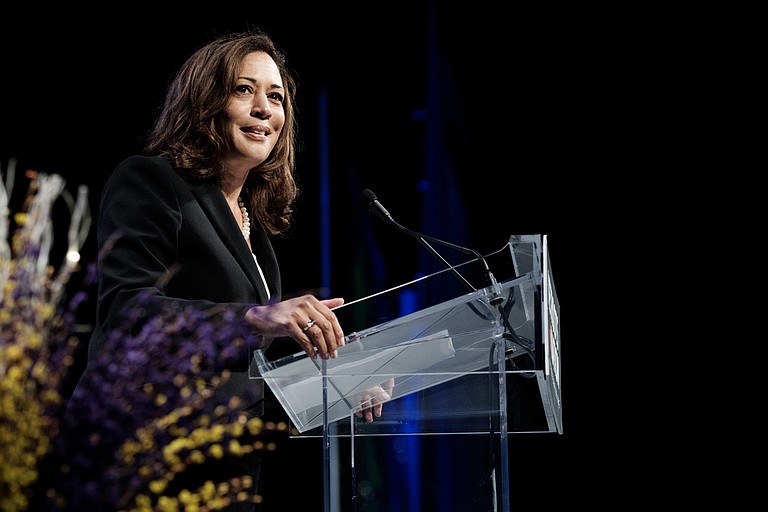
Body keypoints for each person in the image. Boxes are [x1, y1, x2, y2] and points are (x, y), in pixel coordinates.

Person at [66, 29, 389, 511]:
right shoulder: (151, 180)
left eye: (276, 97)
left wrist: (341, 372)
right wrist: (258, 318)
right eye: (245, 90)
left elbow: (237, 370)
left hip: (217, 475)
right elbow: (126, 312)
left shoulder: (253, 228)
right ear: (205, 102)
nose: (265, 109)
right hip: (136, 462)